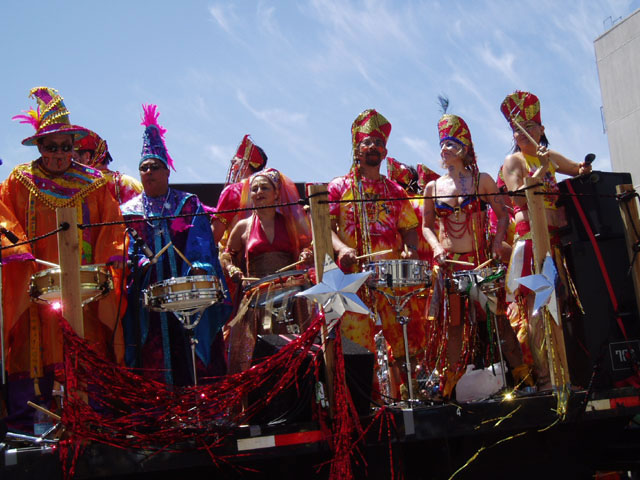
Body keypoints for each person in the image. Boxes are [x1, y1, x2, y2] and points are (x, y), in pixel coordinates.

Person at [1, 87, 126, 432]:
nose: (58, 154)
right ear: (39, 147)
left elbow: (111, 225)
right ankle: (32, 427)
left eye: (65, 147)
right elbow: (4, 219)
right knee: (32, 350)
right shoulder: (19, 180)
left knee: (89, 346)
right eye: (51, 147)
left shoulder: (94, 183)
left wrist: (111, 255)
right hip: (35, 289)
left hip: (85, 290)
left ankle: (93, 424)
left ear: (75, 146)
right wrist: (18, 251)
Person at [422, 110, 530, 398]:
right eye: (442, 144)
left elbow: (503, 214)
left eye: (450, 143)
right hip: (452, 268)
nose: (444, 149)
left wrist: (497, 242)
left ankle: (523, 376)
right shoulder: (433, 187)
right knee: (454, 327)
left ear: (464, 148)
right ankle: (449, 386)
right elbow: (426, 226)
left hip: (481, 265)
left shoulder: (481, 180)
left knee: (499, 321)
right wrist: (436, 247)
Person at [121, 104, 231, 386]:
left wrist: (198, 267)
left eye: (155, 166)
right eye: (144, 168)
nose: (149, 172)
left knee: (193, 352)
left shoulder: (188, 203)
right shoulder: (127, 212)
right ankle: (158, 407)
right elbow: (123, 250)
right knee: (151, 356)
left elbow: (201, 242)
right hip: (147, 300)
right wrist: (139, 264)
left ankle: (202, 404)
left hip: (187, 292)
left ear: (167, 171)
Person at [328, 109, 425, 400]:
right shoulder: (338, 187)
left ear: (385, 152)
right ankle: (366, 403)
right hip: (351, 279)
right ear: (356, 148)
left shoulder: (395, 191)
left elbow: (409, 227)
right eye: (367, 142)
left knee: (408, 340)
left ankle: (412, 396)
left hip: (392, 277)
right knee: (357, 345)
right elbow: (325, 228)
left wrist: (411, 247)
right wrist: (342, 248)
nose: (373, 147)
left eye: (379, 143)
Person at [500, 90, 591, 390]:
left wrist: (584, 168)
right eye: (517, 128)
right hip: (531, 241)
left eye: (529, 125)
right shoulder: (514, 161)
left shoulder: (548, 156)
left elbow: (575, 168)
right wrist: (540, 168)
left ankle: (563, 373)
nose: (522, 132)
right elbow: (520, 196)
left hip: (553, 242)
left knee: (559, 306)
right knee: (538, 310)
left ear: (541, 129)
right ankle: (546, 378)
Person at [221, 167, 312, 374]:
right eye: (254, 189)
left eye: (264, 188)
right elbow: (226, 256)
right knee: (257, 357)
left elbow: (309, 246)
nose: (259, 192)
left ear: (277, 193)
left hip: (291, 299)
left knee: (292, 354)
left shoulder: (291, 224)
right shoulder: (243, 227)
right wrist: (232, 269)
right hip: (257, 300)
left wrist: (306, 254)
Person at [211, 135, 268, 245]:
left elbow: (215, 234)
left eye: (235, 162)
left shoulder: (234, 191)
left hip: (236, 252)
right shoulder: (271, 191)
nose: (232, 165)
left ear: (244, 164)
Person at [73, 129, 143, 205]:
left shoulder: (80, 186)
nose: (72, 163)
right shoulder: (128, 183)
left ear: (87, 157)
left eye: (74, 158)